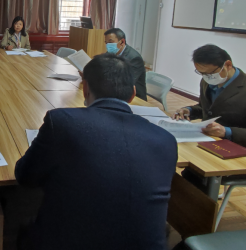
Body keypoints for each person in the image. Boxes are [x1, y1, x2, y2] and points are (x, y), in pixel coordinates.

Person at [15, 53, 178, 250]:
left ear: (85, 88)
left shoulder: (62, 122)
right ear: (133, 94)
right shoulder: (166, 140)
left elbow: (25, 176)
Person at [174, 44, 246, 153]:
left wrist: (226, 132)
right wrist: (189, 111)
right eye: (202, 73)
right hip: (207, 143)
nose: (207, 77)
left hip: (238, 152)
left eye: (211, 73)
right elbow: (210, 109)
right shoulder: (207, 81)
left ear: (228, 65)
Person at [104, 28, 147, 101]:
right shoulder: (110, 53)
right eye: (106, 43)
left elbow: (126, 83)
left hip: (134, 97)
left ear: (122, 42)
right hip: (114, 92)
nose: (108, 45)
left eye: (110, 42)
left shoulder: (134, 58)